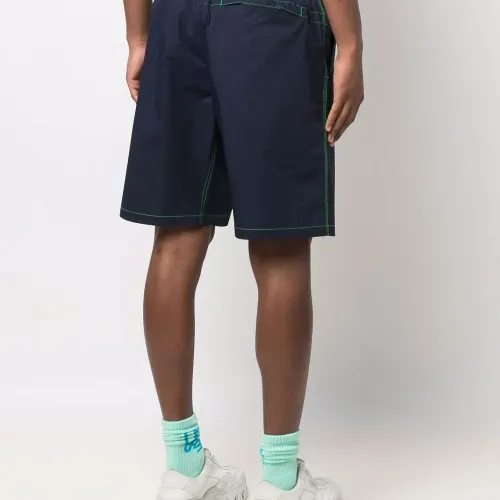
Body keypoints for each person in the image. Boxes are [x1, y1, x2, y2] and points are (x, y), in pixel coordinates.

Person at [120, 0, 363, 497]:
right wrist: (352, 45)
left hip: (176, 22)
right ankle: (281, 479)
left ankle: (184, 467)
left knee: (176, 238)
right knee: (280, 247)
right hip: (269, 21)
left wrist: (139, 38)